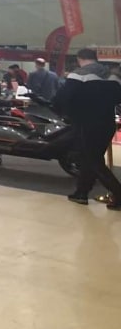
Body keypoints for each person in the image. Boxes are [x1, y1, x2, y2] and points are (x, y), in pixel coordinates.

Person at [54, 48, 121, 209]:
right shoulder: (111, 75)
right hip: (107, 123)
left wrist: (64, 113)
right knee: (88, 158)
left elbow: (62, 98)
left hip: (86, 123)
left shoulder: (78, 75)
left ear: (79, 59)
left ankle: (119, 194)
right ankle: (81, 193)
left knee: (93, 160)